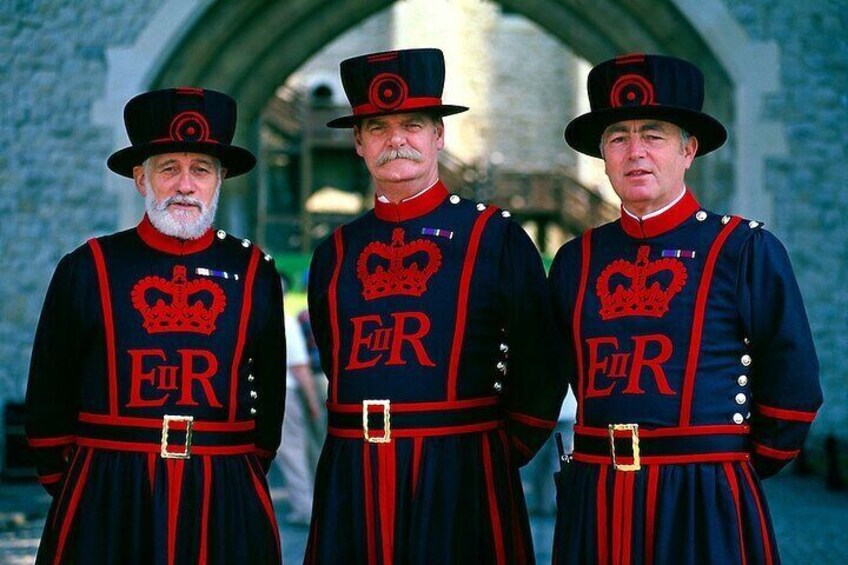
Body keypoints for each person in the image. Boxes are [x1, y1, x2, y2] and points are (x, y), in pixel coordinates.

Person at [548, 53, 823, 563]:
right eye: (618, 137)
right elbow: (551, 371)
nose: (636, 153)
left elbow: (795, 387)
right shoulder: (575, 260)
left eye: (653, 135)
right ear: (603, 155)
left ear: (688, 149)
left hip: (705, 494)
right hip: (596, 493)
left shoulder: (744, 250)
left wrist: (721, 467)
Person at [305, 48, 566, 563]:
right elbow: (336, 359)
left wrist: (487, 453)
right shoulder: (335, 251)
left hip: (464, 472)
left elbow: (541, 364)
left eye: (413, 125)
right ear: (358, 142)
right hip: (353, 472)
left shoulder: (495, 237)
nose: (396, 139)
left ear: (438, 136)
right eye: (377, 128)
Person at [25, 88, 286, 564]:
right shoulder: (89, 266)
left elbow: (270, 397)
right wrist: (85, 484)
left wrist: (241, 471)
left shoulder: (254, 270)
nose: (185, 185)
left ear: (220, 179)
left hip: (224, 486)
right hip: (108, 488)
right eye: (169, 168)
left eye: (201, 169)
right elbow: (49, 388)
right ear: (140, 180)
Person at [276, 274, 322, 526]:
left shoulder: (267, 318)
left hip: (277, 394)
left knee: (292, 452)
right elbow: (300, 366)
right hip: (288, 394)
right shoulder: (285, 320)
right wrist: (313, 402)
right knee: (296, 451)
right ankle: (306, 508)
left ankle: (304, 507)